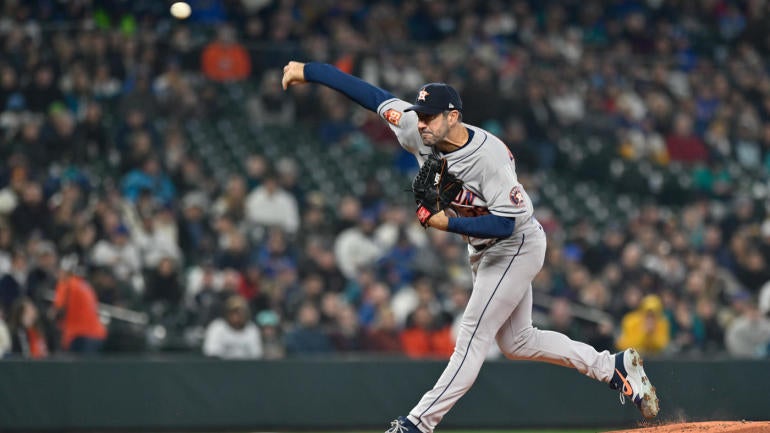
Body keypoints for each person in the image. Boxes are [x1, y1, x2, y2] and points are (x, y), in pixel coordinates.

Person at [281, 61, 660, 432]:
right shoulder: (414, 127)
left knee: (473, 335)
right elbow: (371, 96)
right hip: (483, 249)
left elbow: (505, 222)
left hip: (516, 243)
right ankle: (612, 368)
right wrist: (308, 70)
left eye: (430, 116)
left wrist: (448, 223)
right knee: (517, 342)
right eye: (420, 114)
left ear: (453, 116)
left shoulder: (489, 157)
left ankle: (416, 424)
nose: (422, 122)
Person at [202, 295, 263, 359]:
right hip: (221, 367)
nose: (237, 316)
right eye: (234, 312)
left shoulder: (252, 329)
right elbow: (211, 353)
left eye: (241, 312)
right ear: (227, 313)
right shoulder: (217, 327)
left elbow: (256, 355)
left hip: (246, 367)